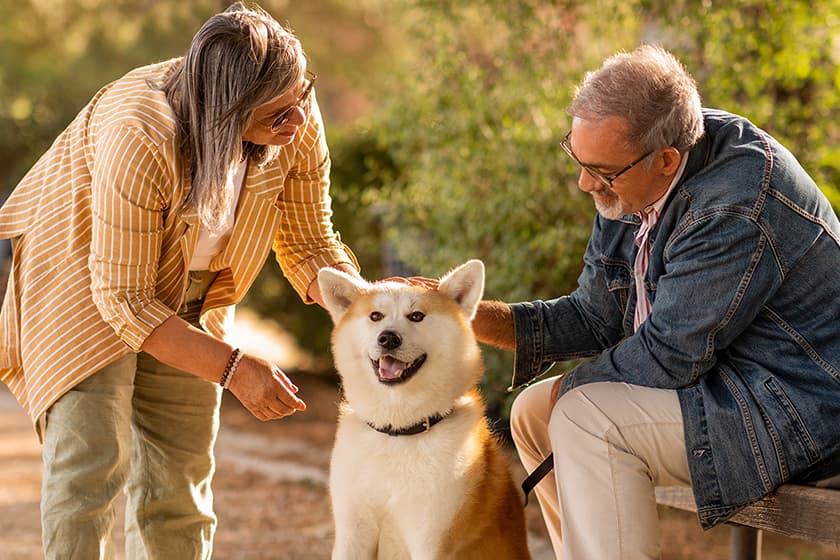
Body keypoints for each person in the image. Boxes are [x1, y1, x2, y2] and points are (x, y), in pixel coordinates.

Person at [0, 3, 359, 558]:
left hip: (195, 293)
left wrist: (364, 307)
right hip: (83, 280)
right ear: (225, 109)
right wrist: (234, 367)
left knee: (180, 483)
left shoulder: (296, 115)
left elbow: (310, 241)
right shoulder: (140, 133)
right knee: (89, 472)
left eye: (300, 100)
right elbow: (125, 298)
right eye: (276, 116)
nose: (296, 124)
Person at [470, 44, 840, 559]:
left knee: (585, 415)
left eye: (600, 171)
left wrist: (573, 388)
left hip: (801, 411)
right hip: (720, 385)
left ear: (666, 159)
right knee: (533, 411)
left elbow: (669, 356)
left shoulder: (735, 202)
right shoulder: (632, 177)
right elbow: (596, 317)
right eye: (577, 159)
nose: (584, 183)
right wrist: (466, 318)